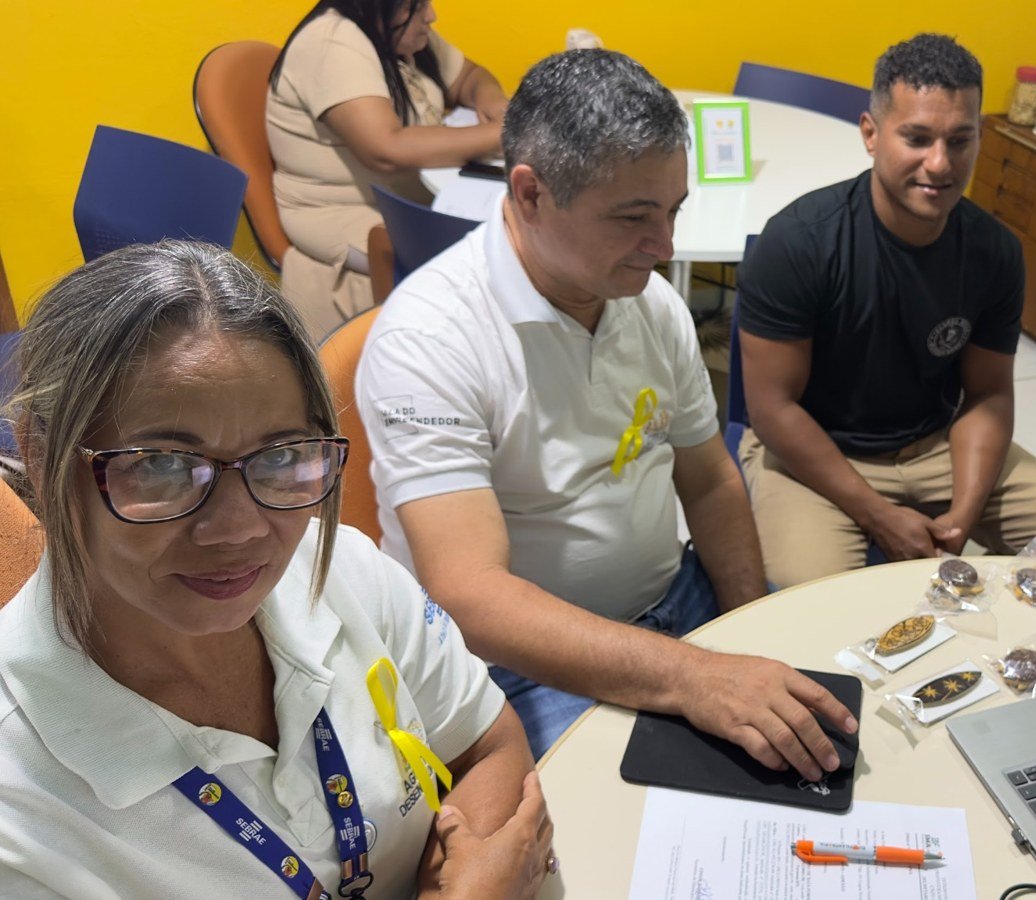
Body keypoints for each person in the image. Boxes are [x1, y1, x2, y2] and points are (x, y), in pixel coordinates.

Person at [0, 242, 554, 899]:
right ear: (41, 456)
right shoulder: (20, 809)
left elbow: (488, 747)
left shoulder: (341, 568)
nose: (240, 529)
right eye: (162, 465)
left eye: (282, 455)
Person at [356, 49, 858, 769]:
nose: (664, 246)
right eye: (633, 217)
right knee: (659, 815)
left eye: (673, 210)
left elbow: (710, 481)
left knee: (826, 740)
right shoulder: (430, 338)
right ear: (530, 194)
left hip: (674, 600)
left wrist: (745, 629)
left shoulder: (649, 302)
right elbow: (469, 594)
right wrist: (694, 675)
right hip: (517, 664)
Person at [735, 33, 1036, 589]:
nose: (939, 163)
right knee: (813, 602)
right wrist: (879, 516)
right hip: (812, 451)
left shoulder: (995, 251)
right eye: (916, 138)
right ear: (871, 133)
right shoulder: (798, 242)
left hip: (935, 443)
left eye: (960, 141)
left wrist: (962, 518)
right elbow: (772, 410)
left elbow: (987, 394)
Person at [268, 0, 508, 338]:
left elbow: (469, 76)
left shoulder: (401, 35)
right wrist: (504, 133)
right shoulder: (332, 41)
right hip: (349, 214)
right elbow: (385, 150)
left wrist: (493, 102)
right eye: (414, 6)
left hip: (415, 199)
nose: (431, 15)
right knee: (494, 259)